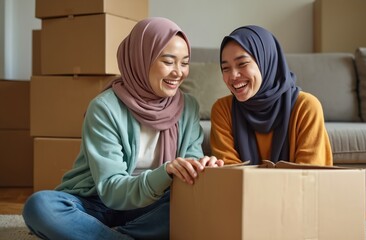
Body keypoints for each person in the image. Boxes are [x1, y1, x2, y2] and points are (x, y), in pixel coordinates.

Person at [23, 17, 223, 240]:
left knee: (193, 206)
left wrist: (201, 168)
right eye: (168, 62)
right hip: (96, 201)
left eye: (184, 63)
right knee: (40, 206)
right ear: (141, 59)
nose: (179, 72)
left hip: (153, 204)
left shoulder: (188, 107)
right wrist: (165, 171)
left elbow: (189, 179)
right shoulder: (104, 108)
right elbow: (110, 190)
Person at [210, 25, 333, 166]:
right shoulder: (223, 110)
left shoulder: (305, 107)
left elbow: (309, 174)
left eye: (242, 64)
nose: (233, 76)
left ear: (266, 61)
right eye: (225, 68)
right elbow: (231, 174)